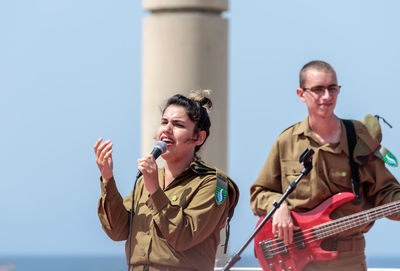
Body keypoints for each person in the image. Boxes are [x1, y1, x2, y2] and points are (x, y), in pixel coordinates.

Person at [250, 60, 400, 271]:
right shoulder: (286, 141)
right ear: (301, 94)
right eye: (318, 90)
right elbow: (259, 193)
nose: (327, 97)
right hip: (296, 258)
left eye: (332, 89)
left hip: (348, 257)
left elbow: (386, 192)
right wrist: (278, 207)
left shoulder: (359, 137)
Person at [94, 90, 239, 271]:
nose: (167, 130)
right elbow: (117, 231)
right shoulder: (145, 182)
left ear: (199, 137)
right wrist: (108, 178)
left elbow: (183, 237)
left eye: (178, 125)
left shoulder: (213, 184)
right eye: (164, 122)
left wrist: (155, 190)